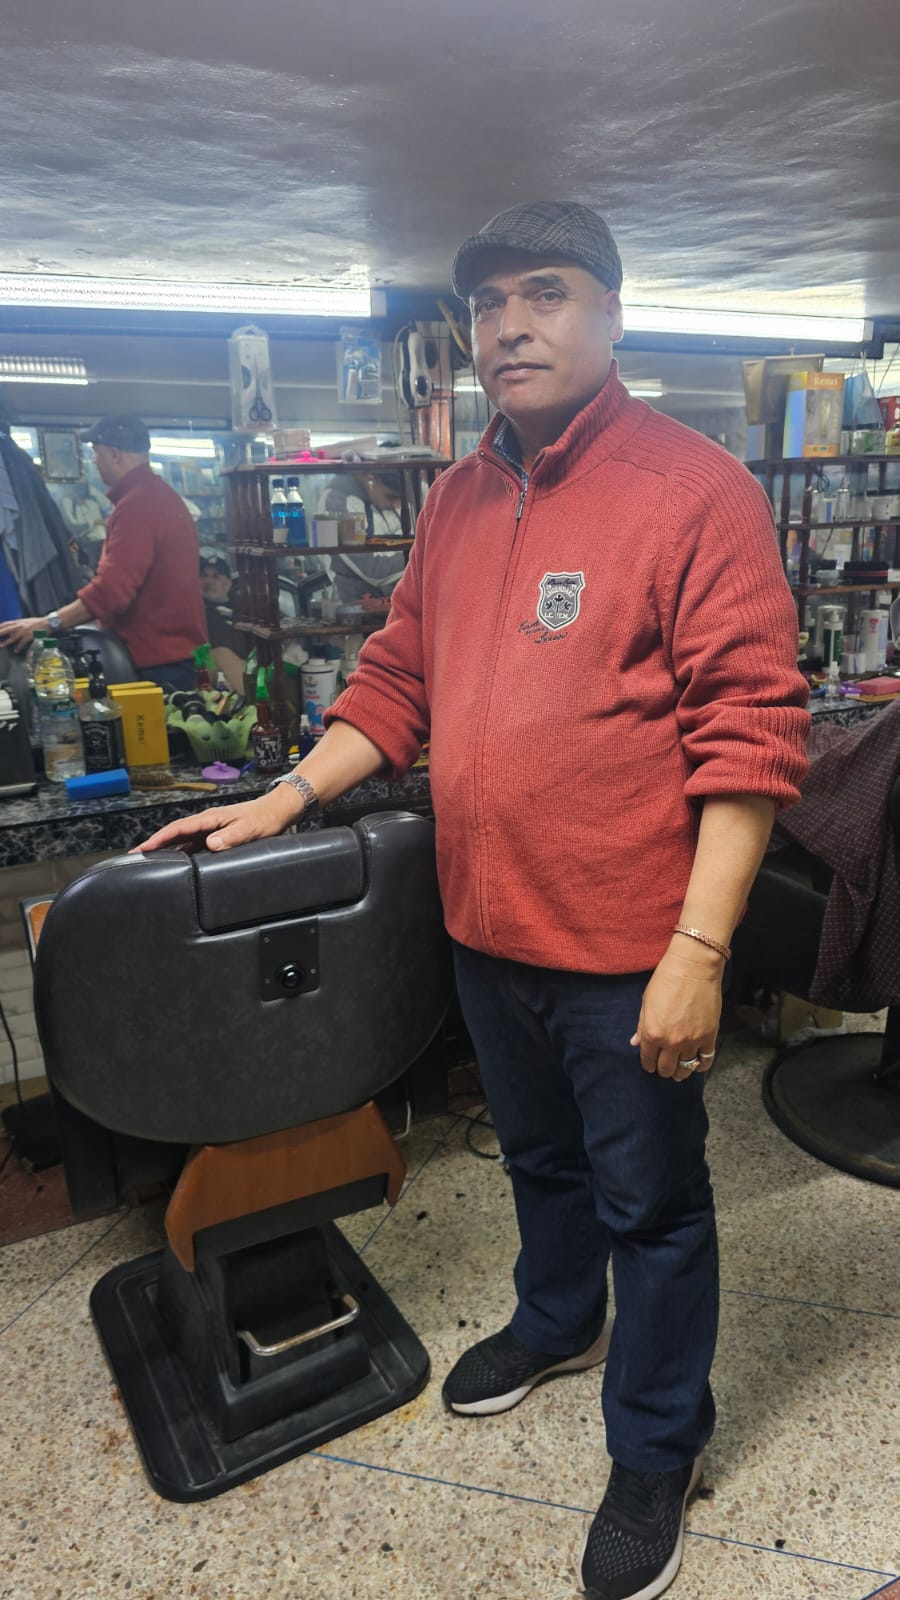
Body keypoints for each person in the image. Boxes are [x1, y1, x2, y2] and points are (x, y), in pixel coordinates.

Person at [137, 202, 810, 1600]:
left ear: (612, 312)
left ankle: (658, 1445)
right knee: (541, 1165)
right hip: (487, 933)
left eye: (544, 293)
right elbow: (397, 679)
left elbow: (751, 735)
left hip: (630, 953)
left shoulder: (695, 490)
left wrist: (700, 951)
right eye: (487, 305)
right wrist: (283, 798)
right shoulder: (456, 498)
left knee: (655, 1207)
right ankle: (558, 1322)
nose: (509, 326)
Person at [0, 415, 207, 691]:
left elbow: (111, 592)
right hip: (173, 657)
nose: (94, 461)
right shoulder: (159, 495)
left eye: (95, 453)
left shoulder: (137, 505)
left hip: (158, 663)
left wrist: (48, 623)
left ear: (114, 454)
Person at [323, 468, 406, 611]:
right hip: (356, 610)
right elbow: (372, 570)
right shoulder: (335, 504)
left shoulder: (372, 496)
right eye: (390, 497)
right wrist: (422, 557)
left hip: (390, 604)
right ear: (370, 479)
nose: (396, 504)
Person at [199, 555, 247, 691]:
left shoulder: (246, 606)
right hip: (208, 663)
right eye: (204, 575)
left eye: (215, 576)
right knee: (222, 653)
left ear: (228, 583)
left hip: (247, 663)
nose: (208, 581)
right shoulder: (196, 610)